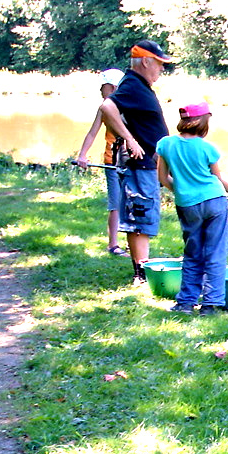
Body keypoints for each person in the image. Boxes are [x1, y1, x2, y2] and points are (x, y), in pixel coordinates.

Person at [155, 102, 228, 315]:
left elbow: (162, 177)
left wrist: (181, 190)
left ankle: (186, 303)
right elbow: (218, 180)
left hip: (187, 205)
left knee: (193, 253)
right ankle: (211, 304)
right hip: (215, 201)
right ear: (203, 122)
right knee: (215, 253)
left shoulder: (165, 144)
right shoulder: (208, 148)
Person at [98, 39, 174, 285]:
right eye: (159, 64)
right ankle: (141, 275)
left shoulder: (139, 85)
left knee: (140, 218)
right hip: (140, 165)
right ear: (145, 61)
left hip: (148, 164)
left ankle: (141, 272)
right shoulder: (132, 83)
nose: (161, 70)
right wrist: (129, 139)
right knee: (140, 218)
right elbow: (107, 107)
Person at [74, 68, 128, 256]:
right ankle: (113, 244)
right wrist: (82, 155)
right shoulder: (104, 108)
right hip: (111, 162)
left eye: (102, 87)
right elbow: (92, 133)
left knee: (131, 203)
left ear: (112, 87)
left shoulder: (130, 107)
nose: (100, 91)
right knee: (115, 204)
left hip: (130, 163)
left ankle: (133, 243)